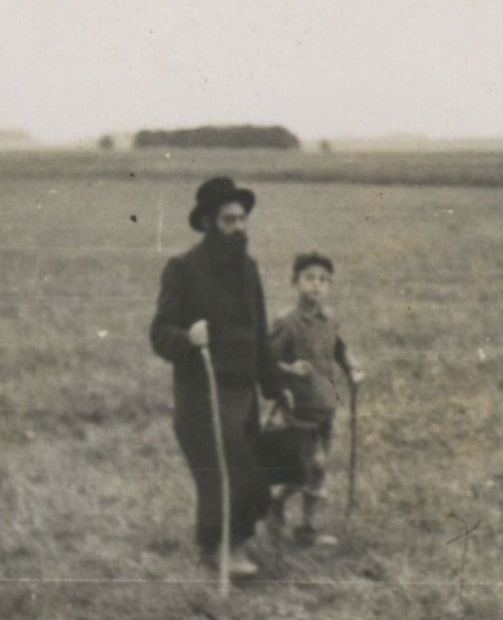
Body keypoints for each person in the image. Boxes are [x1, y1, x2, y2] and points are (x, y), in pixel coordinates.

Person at [149, 176, 287, 578]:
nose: (239, 227)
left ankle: (225, 547)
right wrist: (188, 338)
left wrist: (274, 388)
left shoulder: (249, 269)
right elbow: (160, 335)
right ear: (209, 222)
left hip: (241, 397)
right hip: (202, 396)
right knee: (228, 474)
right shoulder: (183, 269)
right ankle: (225, 552)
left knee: (246, 470)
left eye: (243, 219)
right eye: (229, 220)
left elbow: (260, 334)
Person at [268, 252, 363, 547]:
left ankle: (307, 528)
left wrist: (353, 368)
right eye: (309, 278)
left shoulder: (329, 320)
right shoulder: (287, 322)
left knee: (317, 470)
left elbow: (340, 350)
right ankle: (274, 502)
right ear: (295, 282)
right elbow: (265, 361)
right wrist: (288, 368)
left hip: (325, 405)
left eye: (323, 280)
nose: (316, 285)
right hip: (297, 407)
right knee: (308, 467)